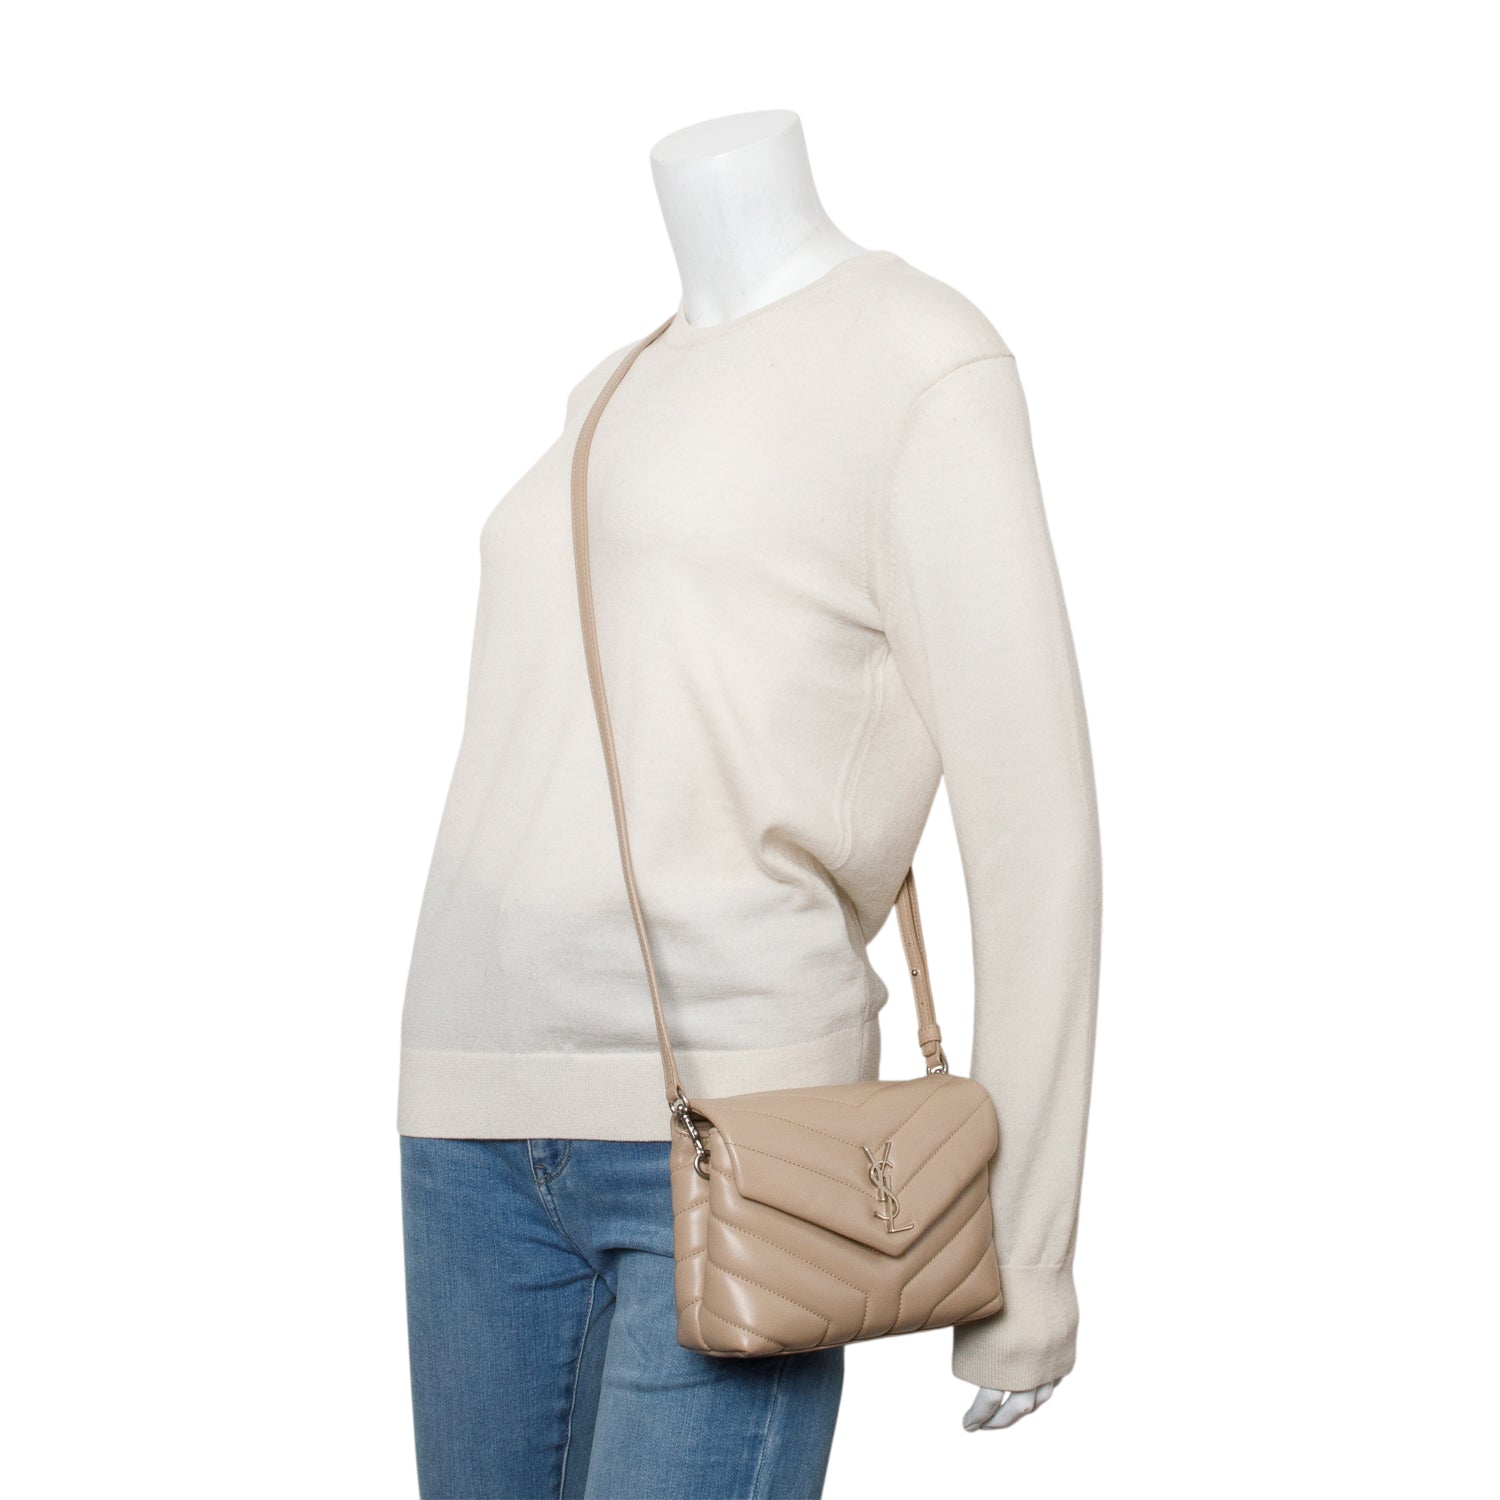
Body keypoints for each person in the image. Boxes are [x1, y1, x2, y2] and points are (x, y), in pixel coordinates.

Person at [398, 108, 1101, 1500]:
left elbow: (1036, 831)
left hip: (743, 1124)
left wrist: (1025, 1263)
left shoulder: (919, 359)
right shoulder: (611, 385)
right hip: (469, 1106)